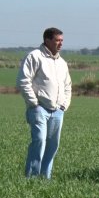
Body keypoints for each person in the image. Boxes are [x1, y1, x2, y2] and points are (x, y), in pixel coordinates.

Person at [16, 27, 72, 179]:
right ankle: (32, 177)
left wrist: (64, 105)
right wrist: (34, 103)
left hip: (57, 111)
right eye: (57, 40)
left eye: (62, 40)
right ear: (47, 40)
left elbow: (67, 85)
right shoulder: (34, 56)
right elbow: (23, 80)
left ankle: (44, 177)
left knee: (53, 146)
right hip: (39, 108)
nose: (60, 44)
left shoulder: (62, 63)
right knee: (39, 141)